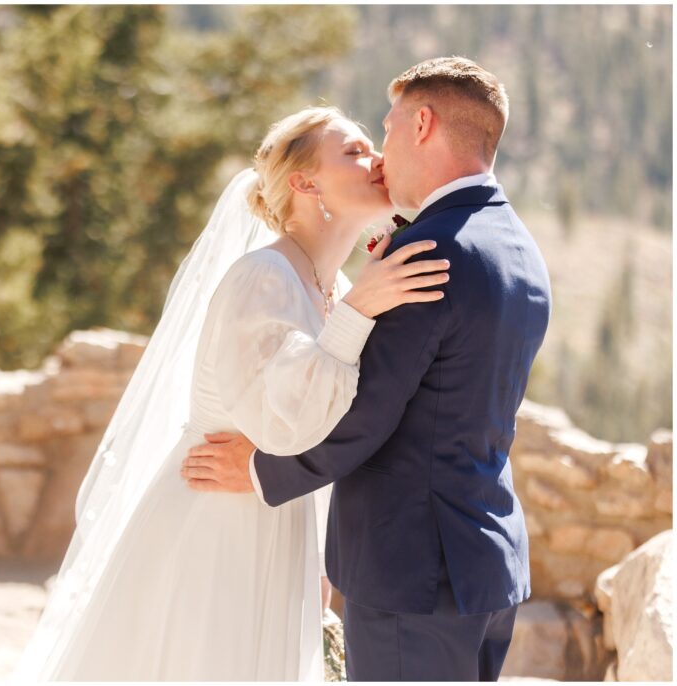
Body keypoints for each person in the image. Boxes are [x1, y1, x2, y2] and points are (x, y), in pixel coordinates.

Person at [12, 105, 449, 680]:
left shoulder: (336, 287)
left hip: (279, 528)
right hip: (216, 526)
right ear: (304, 182)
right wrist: (360, 309)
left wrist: (319, 560)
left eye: (373, 145)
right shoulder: (262, 278)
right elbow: (283, 425)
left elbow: (341, 427)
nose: (376, 159)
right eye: (353, 150)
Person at [182, 57, 552, 681]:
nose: (381, 154)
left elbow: (368, 412)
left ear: (423, 123)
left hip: (414, 573)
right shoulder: (517, 245)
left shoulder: (428, 250)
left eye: (384, 129)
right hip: (485, 561)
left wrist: (260, 470)